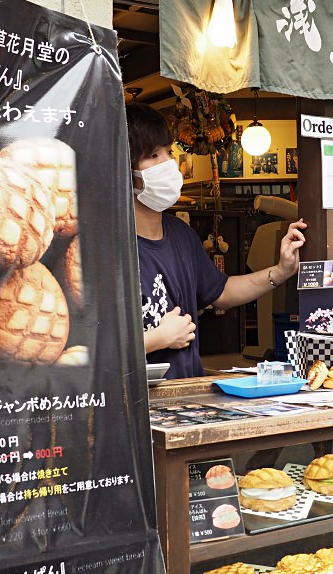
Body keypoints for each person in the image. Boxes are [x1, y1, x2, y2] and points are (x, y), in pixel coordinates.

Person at [126, 103, 307, 379]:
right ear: (126, 170)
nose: (168, 163)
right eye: (153, 155)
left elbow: (221, 293)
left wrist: (281, 271)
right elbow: (89, 349)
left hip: (189, 392)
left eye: (169, 152)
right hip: (139, 402)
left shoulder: (182, 235)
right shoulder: (108, 247)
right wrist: (155, 339)